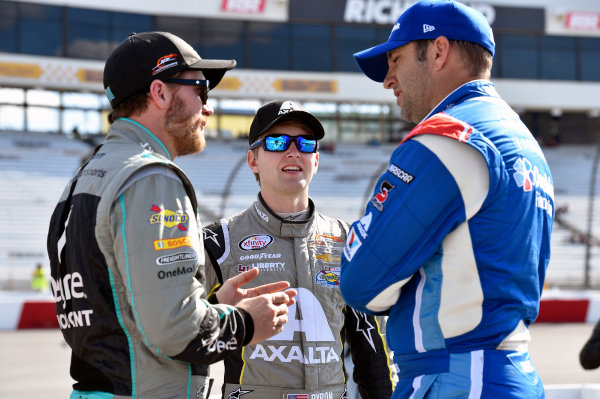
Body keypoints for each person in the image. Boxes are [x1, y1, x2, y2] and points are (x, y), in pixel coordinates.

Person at [46, 32, 296, 399]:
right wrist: (244, 323)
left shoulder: (83, 180)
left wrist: (211, 308)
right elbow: (175, 331)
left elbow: (128, 320)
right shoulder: (150, 178)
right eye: (200, 89)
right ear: (160, 93)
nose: (208, 106)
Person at [339, 1, 554, 398]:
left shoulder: (446, 137)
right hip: (511, 373)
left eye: (396, 60)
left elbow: (361, 283)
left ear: (438, 52)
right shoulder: (525, 143)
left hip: (456, 377)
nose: (388, 79)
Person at [202, 100, 394, 399]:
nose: (293, 151)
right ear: (253, 160)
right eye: (277, 142)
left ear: (316, 160)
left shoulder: (348, 241)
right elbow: (181, 332)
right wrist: (218, 305)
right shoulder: (218, 241)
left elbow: (372, 351)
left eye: (305, 143)